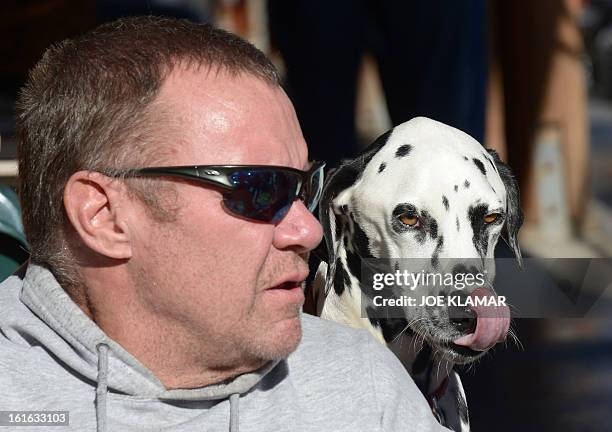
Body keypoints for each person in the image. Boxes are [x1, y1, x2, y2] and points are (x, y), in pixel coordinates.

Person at [0, 16, 448, 432]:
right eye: (261, 189)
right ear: (103, 216)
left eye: (306, 187)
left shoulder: (362, 390)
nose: (308, 231)